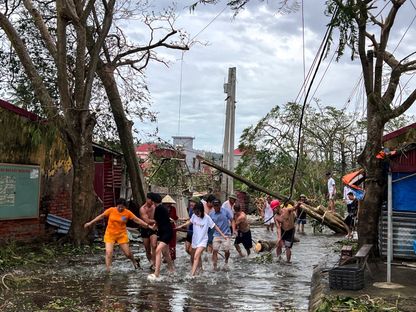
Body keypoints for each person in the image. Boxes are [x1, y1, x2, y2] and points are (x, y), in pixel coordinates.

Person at [84, 198, 152, 272]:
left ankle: (134, 261)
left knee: (127, 253)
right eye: (119, 206)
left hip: (121, 235)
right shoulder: (111, 210)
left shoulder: (127, 213)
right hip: (110, 234)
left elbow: (137, 220)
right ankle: (108, 270)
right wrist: (90, 223)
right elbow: (101, 216)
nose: (120, 208)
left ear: (125, 207)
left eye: (122, 207)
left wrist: (148, 226)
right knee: (108, 252)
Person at [176, 201, 227, 276]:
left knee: (196, 256)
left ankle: (192, 275)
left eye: (198, 212)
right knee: (194, 256)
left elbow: (214, 226)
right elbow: (190, 222)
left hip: (203, 241)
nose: (196, 214)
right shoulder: (194, 215)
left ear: (201, 210)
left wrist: (223, 235)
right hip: (195, 240)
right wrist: (180, 226)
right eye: (195, 212)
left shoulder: (207, 218)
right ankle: (200, 270)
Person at [148, 193, 174, 279]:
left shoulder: (159, 208)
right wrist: (154, 227)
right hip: (163, 232)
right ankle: (171, 269)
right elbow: (161, 221)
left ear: (153, 201)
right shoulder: (161, 208)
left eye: (150, 200)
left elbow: (158, 222)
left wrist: (152, 227)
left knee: (158, 250)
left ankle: (156, 273)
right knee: (166, 252)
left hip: (166, 232)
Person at [209, 199, 234, 270]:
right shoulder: (211, 214)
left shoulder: (225, 211)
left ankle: (226, 261)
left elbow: (232, 220)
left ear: (220, 205)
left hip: (226, 234)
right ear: (213, 206)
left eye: (217, 206)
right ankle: (215, 266)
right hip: (216, 235)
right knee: (215, 250)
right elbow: (209, 225)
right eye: (214, 206)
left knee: (226, 250)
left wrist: (234, 230)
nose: (216, 207)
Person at [139, 193, 158, 270]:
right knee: (147, 248)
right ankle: (151, 262)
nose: (152, 202)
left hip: (153, 228)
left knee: (154, 245)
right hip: (145, 228)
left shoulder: (154, 206)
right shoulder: (142, 209)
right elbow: (146, 220)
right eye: (151, 200)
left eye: (153, 201)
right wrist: (157, 220)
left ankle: (155, 263)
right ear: (147, 199)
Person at [162, 195, 179, 261]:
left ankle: (172, 257)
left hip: (172, 227)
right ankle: (165, 256)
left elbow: (175, 217)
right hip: (164, 227)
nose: (169, 204)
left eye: (170, 203)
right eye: (167, 203)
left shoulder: (173, 209)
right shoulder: (161, 209)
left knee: (172, 243)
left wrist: (174, 220)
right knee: (164, 243)